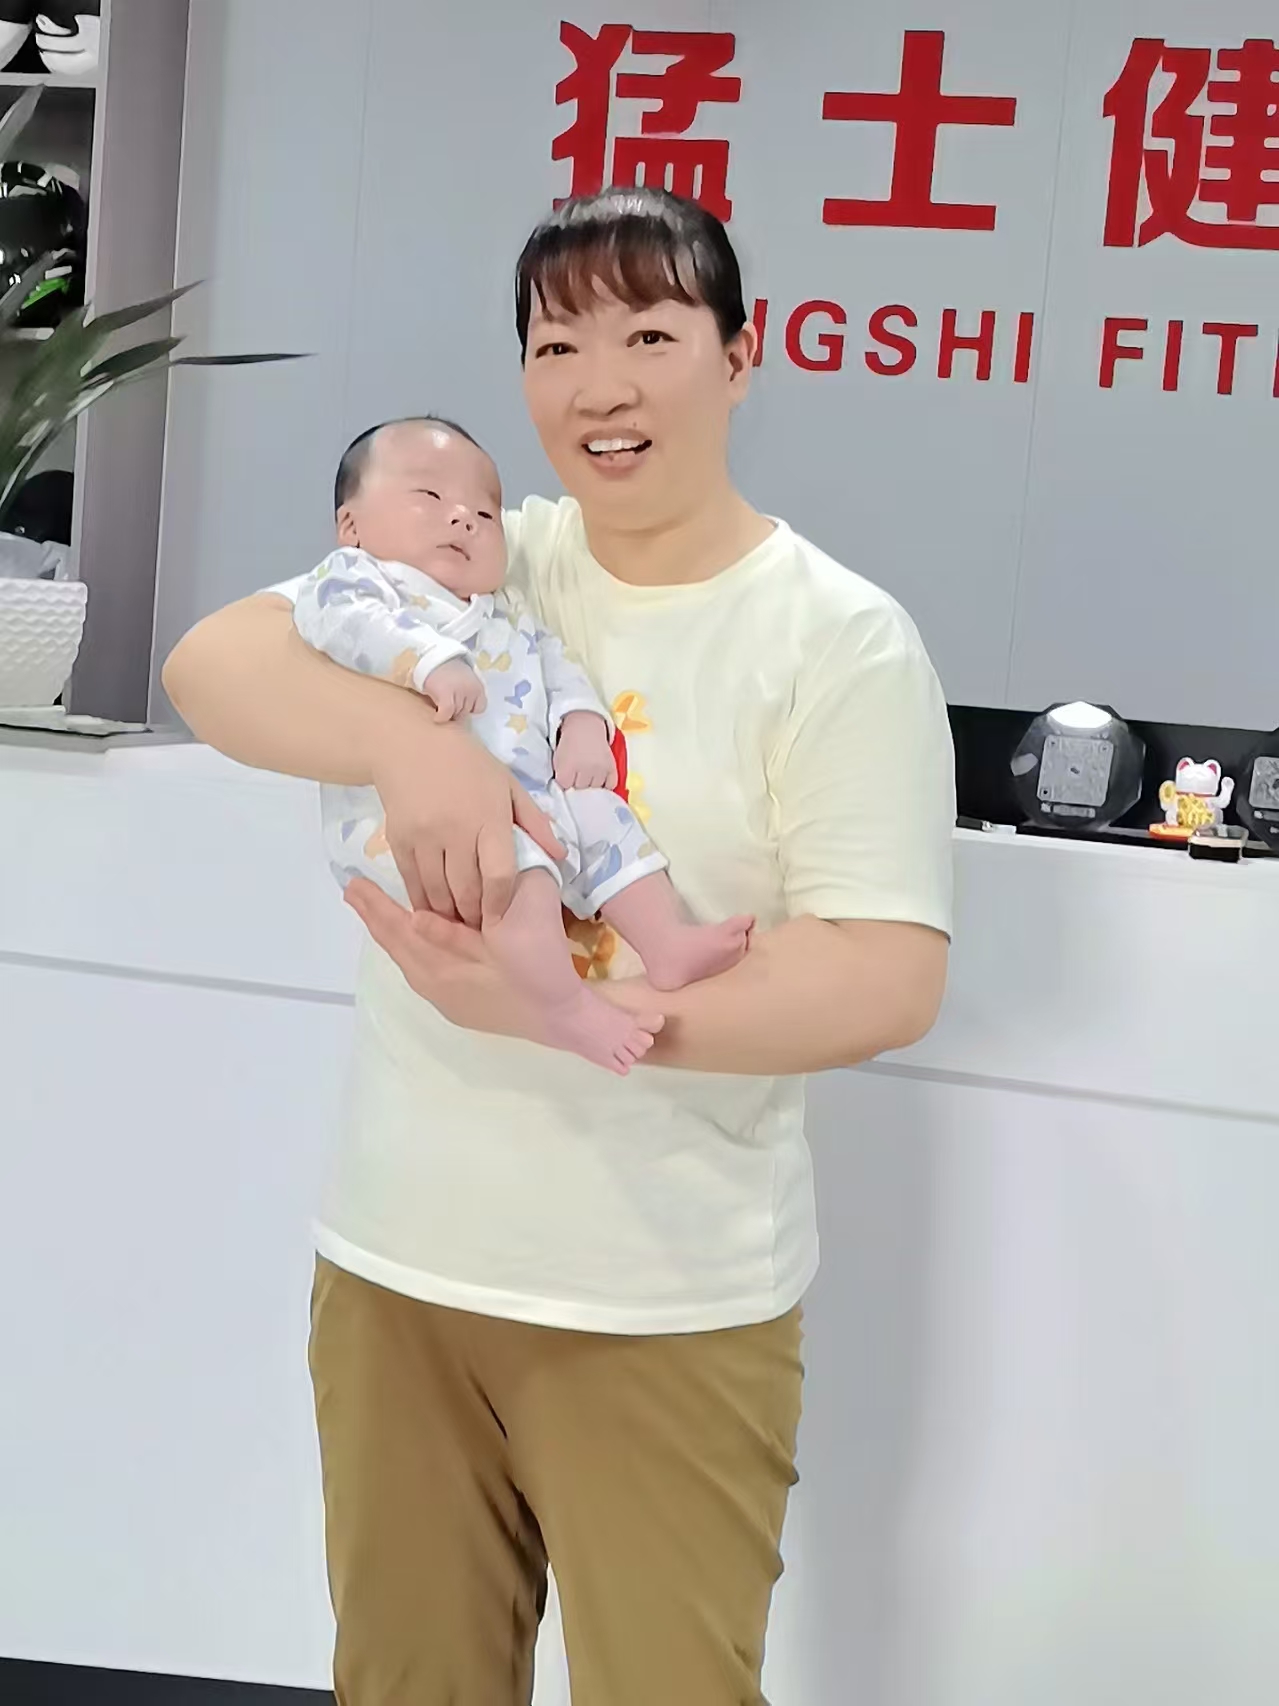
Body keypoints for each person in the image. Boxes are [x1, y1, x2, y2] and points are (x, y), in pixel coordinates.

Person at [164, 186, 955, 1706]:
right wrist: (414, 748)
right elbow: (214, 663)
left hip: (661, 1301)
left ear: (740, 356)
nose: (598, 387)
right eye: (555, 346)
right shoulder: (480, 551)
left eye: (648, 336)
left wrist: (563, 1012)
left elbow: (882, 972)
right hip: (400, 1267)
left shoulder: (836, 635)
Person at [293, 416, 752, 1075]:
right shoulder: (354, 581)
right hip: (410, 828)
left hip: (536, 802)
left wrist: (582, 725)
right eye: (429, 497)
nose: (463, 518)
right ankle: (560, 1006)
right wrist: (425, 663)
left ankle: (666, 943)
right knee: (513, 869)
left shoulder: (505, 609)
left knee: (602, 815)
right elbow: (345, 627)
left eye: (485, 512)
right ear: (351, 526)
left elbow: (559, 669)